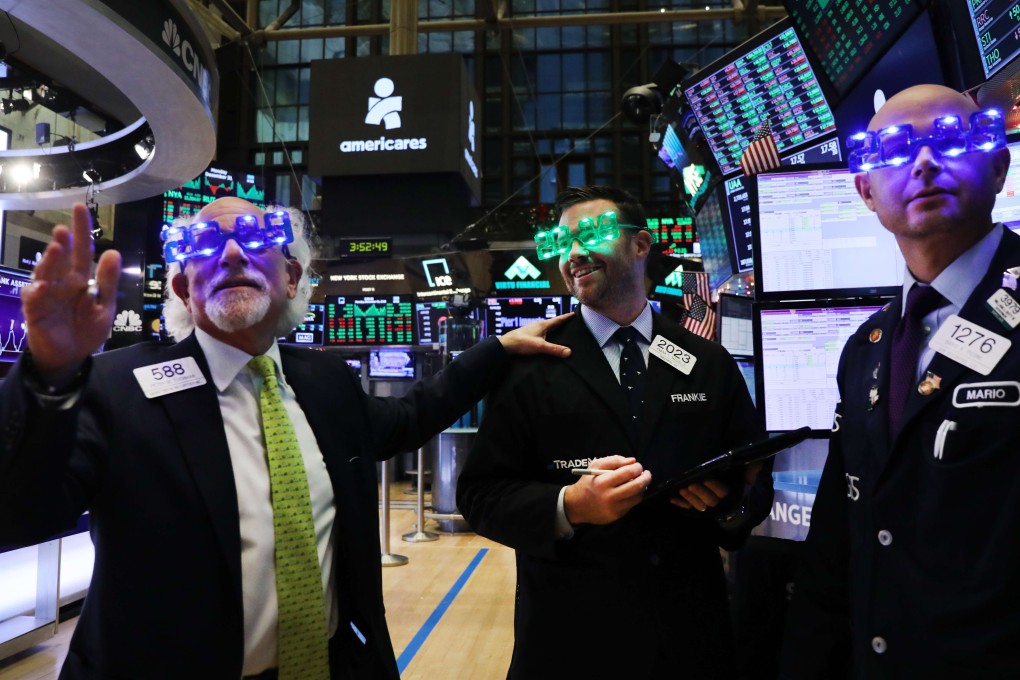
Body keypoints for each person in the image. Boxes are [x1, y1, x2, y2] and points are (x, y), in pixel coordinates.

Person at [0, 196, 571, 680]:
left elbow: (409, 419)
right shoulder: (114, 387)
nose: (228, 253)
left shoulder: (322, 380)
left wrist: (496, 349)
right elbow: (20, 512)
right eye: (204, 245)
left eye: (252, 238)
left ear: (291, 277)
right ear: (182, 285)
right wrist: (45, 377)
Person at [456, 185, 773, 679]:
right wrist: (570, 506)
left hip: (688, 638)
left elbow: (754, 479)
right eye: (562, 242)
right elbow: (480, 495)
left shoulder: (706, 361)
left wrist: (727, 506)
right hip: (570, 639)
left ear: (641, 246)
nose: (574, 254)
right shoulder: (531, 365)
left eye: (593, 234)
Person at [780, 84, 1020, 678]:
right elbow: (839, 542)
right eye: (892, 149)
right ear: (865, 192)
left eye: (950, 139)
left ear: (998, 164)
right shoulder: (866, 347)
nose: (923, 162)